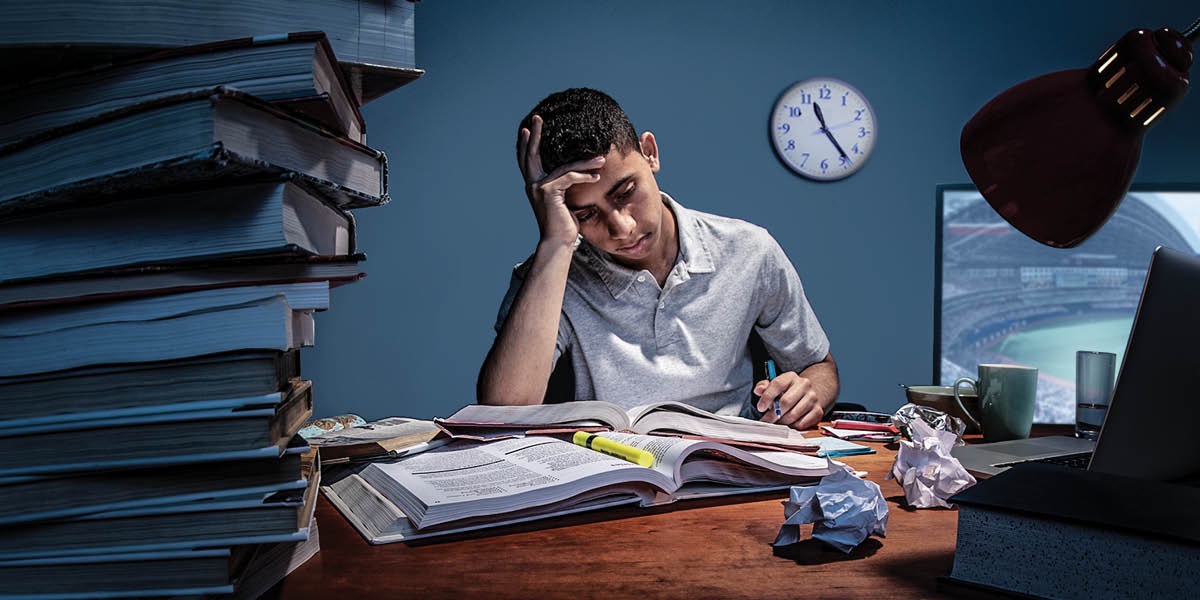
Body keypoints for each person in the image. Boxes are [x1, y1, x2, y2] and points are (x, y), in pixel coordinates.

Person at [476, 88, 838, 430]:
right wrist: (556, 242)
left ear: (650, 152)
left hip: (737, 467)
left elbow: (817, 366)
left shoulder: (750, 250)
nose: (622, 227)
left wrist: (808, 392)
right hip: (616, 477)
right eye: (586, 215)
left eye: (625, 192)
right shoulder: (547, 277)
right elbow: (505, 413)